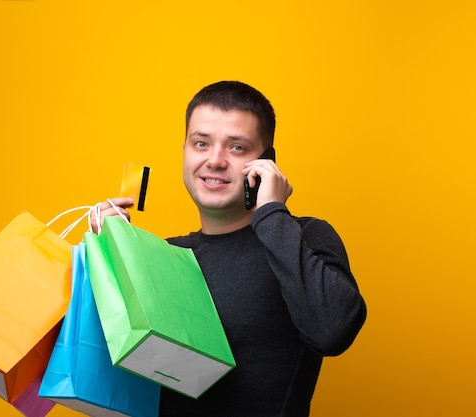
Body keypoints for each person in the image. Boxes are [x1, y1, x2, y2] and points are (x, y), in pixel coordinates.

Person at [91, 80, 367, 417]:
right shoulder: (163, 256)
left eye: (237, 147)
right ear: (185, 151)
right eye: (201, 143)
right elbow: (114, 374)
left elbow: (333, 331)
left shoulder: (302, 236)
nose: (215, 160)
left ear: (267, 162)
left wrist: (271, 213)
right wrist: (113, 258)